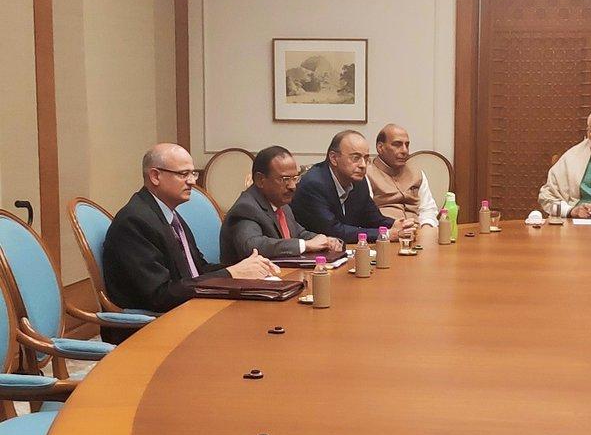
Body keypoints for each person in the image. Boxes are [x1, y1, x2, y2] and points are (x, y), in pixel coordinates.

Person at [103, 143, 278, 317]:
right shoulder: (135, 222)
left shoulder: (168, 215)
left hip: (188, 311)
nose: (193, 181)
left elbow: (197, 269)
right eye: (183, 174)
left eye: (193, 173)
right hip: (154, 327)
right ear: (155, 176)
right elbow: (160, 295)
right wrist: (231, 274)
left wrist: (246, 268)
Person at [220, 145, 343, 263]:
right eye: (285, 179)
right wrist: (305, 245)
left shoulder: (282, 205)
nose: (292, 186)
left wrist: (326, 241)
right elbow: (252, 246)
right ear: (260, 180)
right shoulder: (246, 209)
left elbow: (299, 234)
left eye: (295, 178)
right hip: (246, 281)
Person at [292, 130, 397, 243]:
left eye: (366, 158)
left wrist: (395, 224)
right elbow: (333, 231)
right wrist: (384, 234)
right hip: (314, 255)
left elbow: (372, 219)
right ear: (333, 158)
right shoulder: (314, 184)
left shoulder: (359, 181)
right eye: (355, 158)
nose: (362, 165)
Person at [366, 124, 438, 236]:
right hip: (387, 236)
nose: (405, 151)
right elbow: (367, 217)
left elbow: (428, 209)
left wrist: (426, 227)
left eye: (407, 145)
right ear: (380, 148)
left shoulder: (417, 173)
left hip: (419, 236)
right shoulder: (366, 175)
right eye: (397, 144)